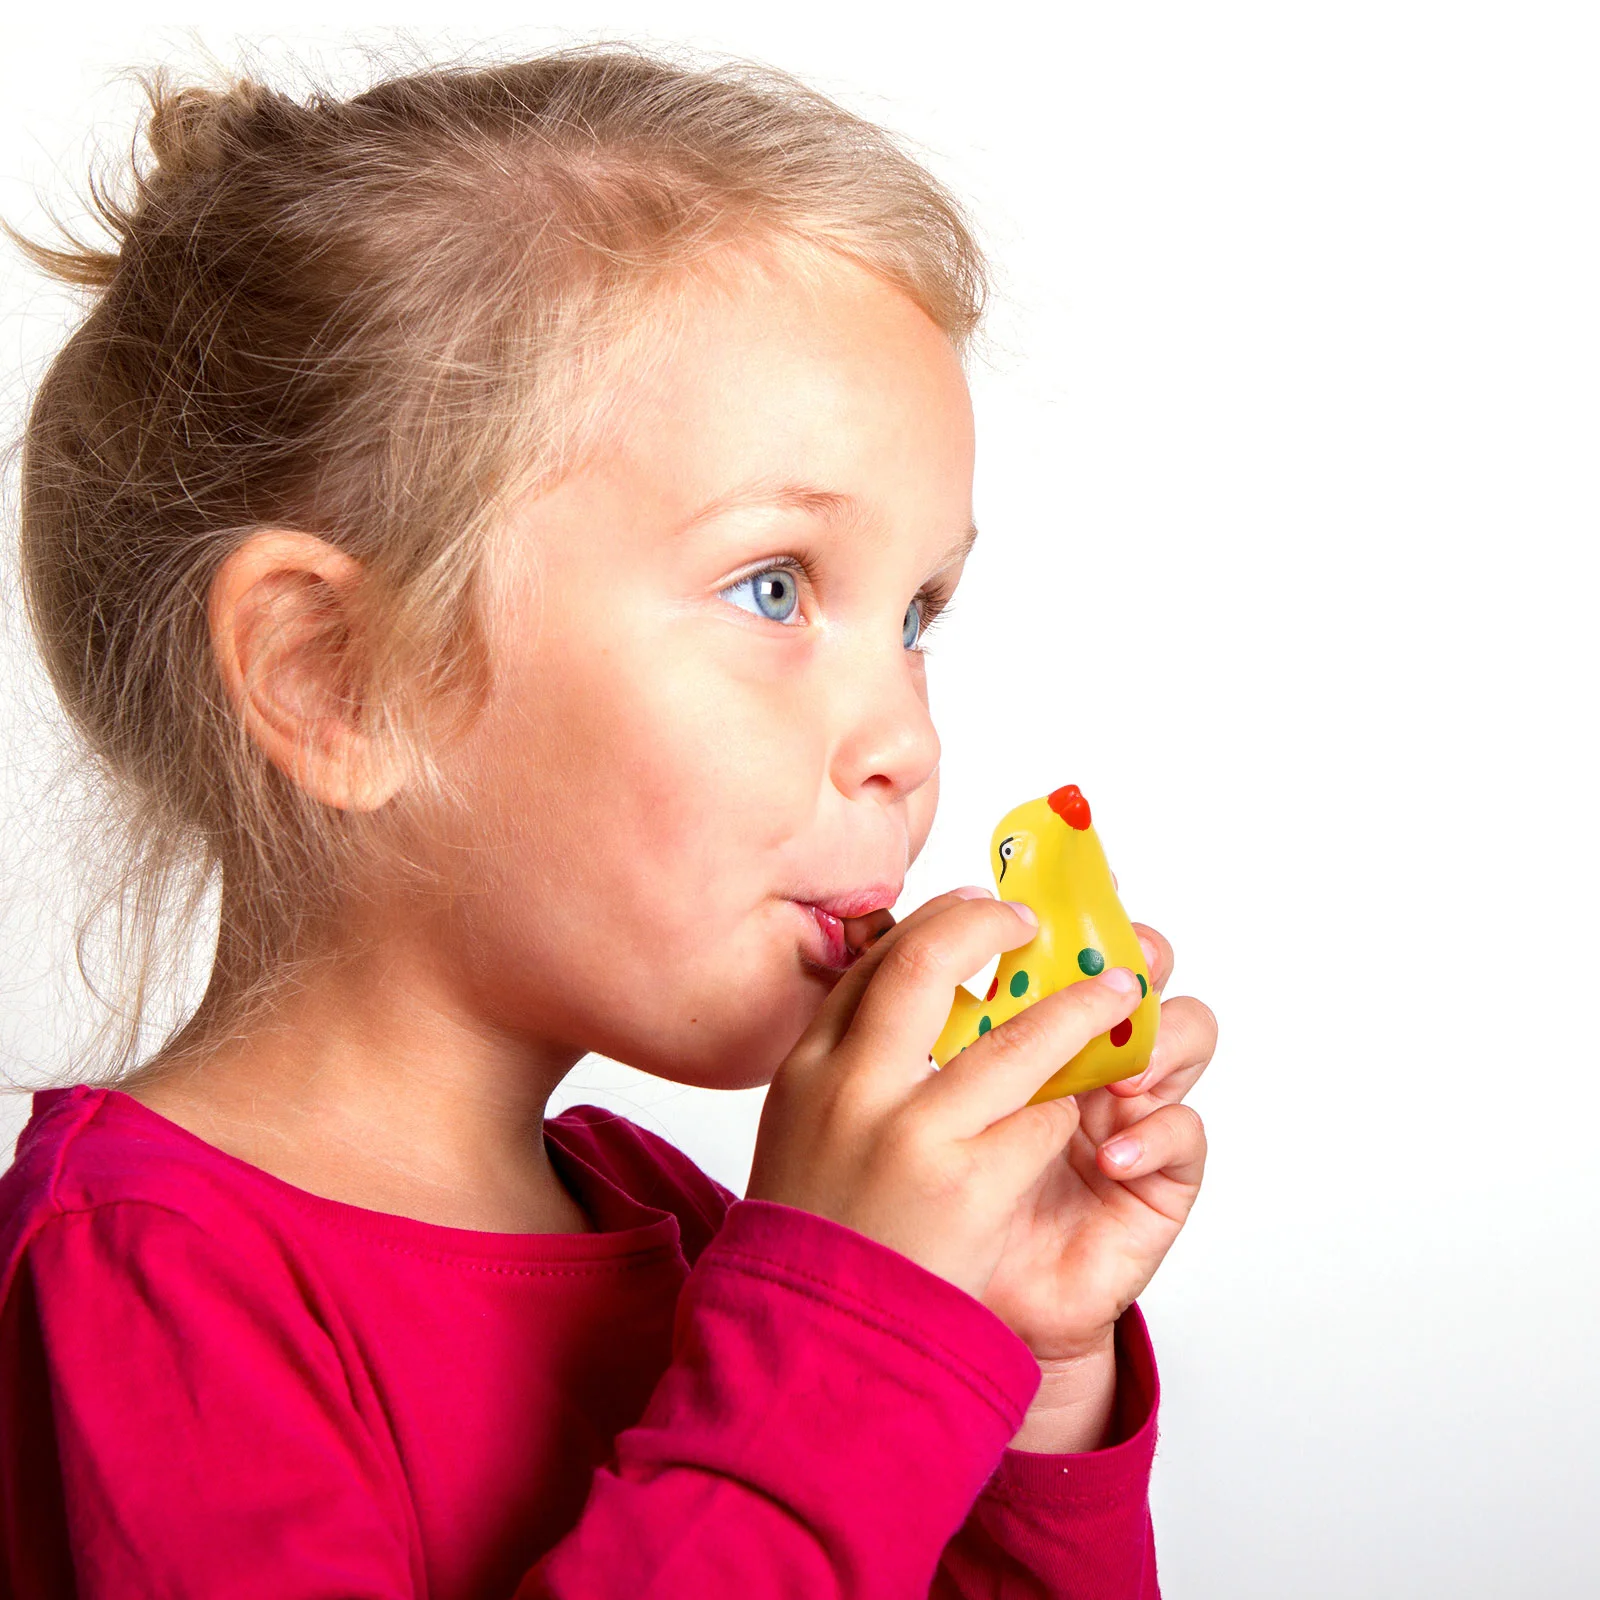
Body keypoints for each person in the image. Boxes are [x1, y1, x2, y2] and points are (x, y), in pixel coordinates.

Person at [0, 40, 1217, 1598]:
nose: (907, 741)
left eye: (917, 616)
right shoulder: (151, 1282)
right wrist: (850, 1337)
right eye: (774, 589)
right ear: (337, 677)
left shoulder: (681, 1224)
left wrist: (1023, 1366)